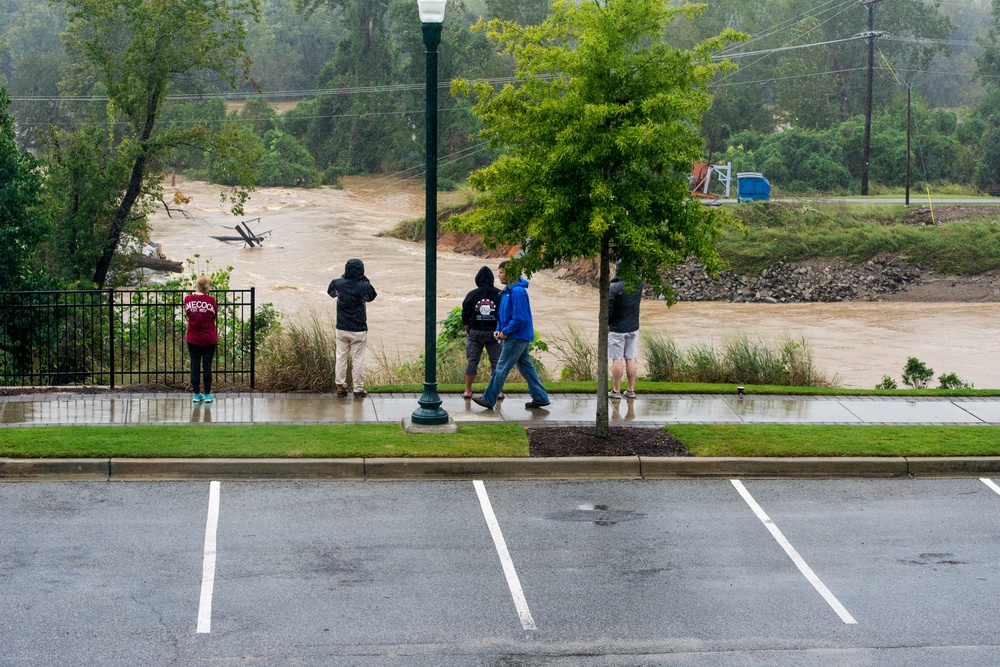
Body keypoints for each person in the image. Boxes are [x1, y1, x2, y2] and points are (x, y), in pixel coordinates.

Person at [472, 261, 550, 410]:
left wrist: (505, 332)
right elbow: (504, 314)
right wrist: (498, 328)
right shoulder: (508, 290)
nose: (499, 275)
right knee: (526, 368)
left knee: (501, 367)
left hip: (516, 336)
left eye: (501, 272)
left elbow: (520, 318)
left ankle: (488, 399)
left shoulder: (517, 292)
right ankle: (540, 397)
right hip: (515, 334)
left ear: (510, 273)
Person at [327, 258, 377, 398]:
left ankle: (340, 386)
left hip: (342, 327)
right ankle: (358, 389)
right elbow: (371, 297)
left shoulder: (338, 283)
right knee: (358, 359)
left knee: (341, 357)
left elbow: (330, 292)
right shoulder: (364, 286)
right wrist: (364, 280)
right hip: (359, 328)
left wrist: (344, 278)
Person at [461, 266, 502, 399]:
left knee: (472, 361)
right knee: (496, 363)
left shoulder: (472, 294)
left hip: (476, 332)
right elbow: (504, 313)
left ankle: (467, 390)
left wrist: (467, 328)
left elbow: (465, 313)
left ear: (477, 279)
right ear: (492, 279)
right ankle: (498, 391)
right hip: (494, 333)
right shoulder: (499, 294)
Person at [608, 266, 643, 399]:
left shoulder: (615, 289)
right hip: (633, 327)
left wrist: (608, 322)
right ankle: (631, 389)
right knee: (630, 358)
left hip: (617, 328)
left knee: (617, 359)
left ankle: (616, 390)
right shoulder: (638, 285)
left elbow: (609, 309)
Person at [184, 275, 218, 403]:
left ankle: (197, 394)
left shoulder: (187, 299)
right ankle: (208, 394)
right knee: (207, 366)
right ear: (206, 286)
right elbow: (213, 315)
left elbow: (188, 314)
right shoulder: (211, 300)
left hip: (193, 338)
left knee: (195, 365)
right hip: (209, 338)